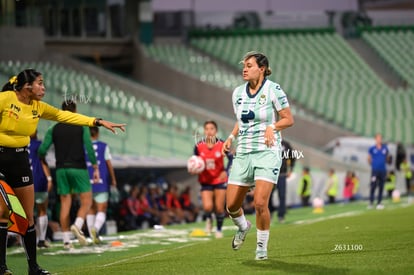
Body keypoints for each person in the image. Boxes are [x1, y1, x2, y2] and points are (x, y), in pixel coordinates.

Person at [0, 69, 125, 275]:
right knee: (2, 213)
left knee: (28, 216)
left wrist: (97, 121)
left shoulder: (38, 107)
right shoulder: (4, 99)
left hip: (21, 161)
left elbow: (63, 116)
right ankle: (2, 267)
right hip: (0, 159)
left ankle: (33, 268)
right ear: (27, 86)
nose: (44, 87)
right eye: (40, 83)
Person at [222, 51, 294, 261]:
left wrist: (273, 127)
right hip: (243, 153)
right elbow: (241, 120)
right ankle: (243, 227)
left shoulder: (274, 89)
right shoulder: (237, 93)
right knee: (232, 206)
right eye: (244, 65)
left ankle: (261, 248)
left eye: (249, 65)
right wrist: (231, 136)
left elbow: (288, 119)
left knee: (260, 203)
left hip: (267, 152)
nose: (244, 69)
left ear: (261, 69)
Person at [38, 100, 103, 249]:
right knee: (86, 200)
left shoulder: (53, 128)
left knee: (65, 204)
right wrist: (95, 166)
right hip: (78, 168)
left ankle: (66, 240)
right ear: (75, 111)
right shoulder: (81, 126)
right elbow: (88, 146)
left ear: (62, 110)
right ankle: (77, 225)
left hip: (61, 169)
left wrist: (42, 159)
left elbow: (42, 150)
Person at [192, 120, 233, 238]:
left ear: (216, 131)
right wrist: (194, 168)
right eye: (207, 129)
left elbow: (231, 158)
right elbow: (194, 161)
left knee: (220, 208)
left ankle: (219, 230)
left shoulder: (222, 144)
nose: (209, 131)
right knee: (207, 207)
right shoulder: (198, 146)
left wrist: (226, 171)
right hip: (205, 180)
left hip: (219, 180)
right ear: (204, 131)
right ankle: (209, 219)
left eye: (212, 129)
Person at [85, 126, 117, 244]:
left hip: (87, 182)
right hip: (101, 181)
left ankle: (91, 235)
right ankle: (95, 229)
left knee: (90, 209)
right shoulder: (103, 146)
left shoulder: (84, 147)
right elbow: (108, 164)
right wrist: (113, 179)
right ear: (97, 133)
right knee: (102, 209)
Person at [28, 131, 53, 249]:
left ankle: (28, 240)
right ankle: (41, 240)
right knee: (42, 209)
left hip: (23, 181)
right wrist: (49, 178)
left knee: (26, 213)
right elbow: (43, 161)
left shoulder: (18, 144)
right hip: (38, 179)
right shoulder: (38, 144)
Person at [272, 139, 295, 223]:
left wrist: (291, 169)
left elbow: (292, 156)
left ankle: (281, 215)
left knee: (282, 196)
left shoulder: (285, 144)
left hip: (282, 175)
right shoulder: (269, 141)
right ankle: (269, 213)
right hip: (270, 175)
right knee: (268, 195)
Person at [367, 133, 389, 210]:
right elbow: (369, 158)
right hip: (375, 170)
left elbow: (387, 158)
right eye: (378, 138)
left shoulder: (385, 148)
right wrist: (372, 164)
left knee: (381, 186)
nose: (379, 139)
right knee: (373, 185)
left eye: (380, 138)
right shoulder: (372, 148)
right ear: (375, 139)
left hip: (382, 170)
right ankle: (371, 202)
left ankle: (379, 202)